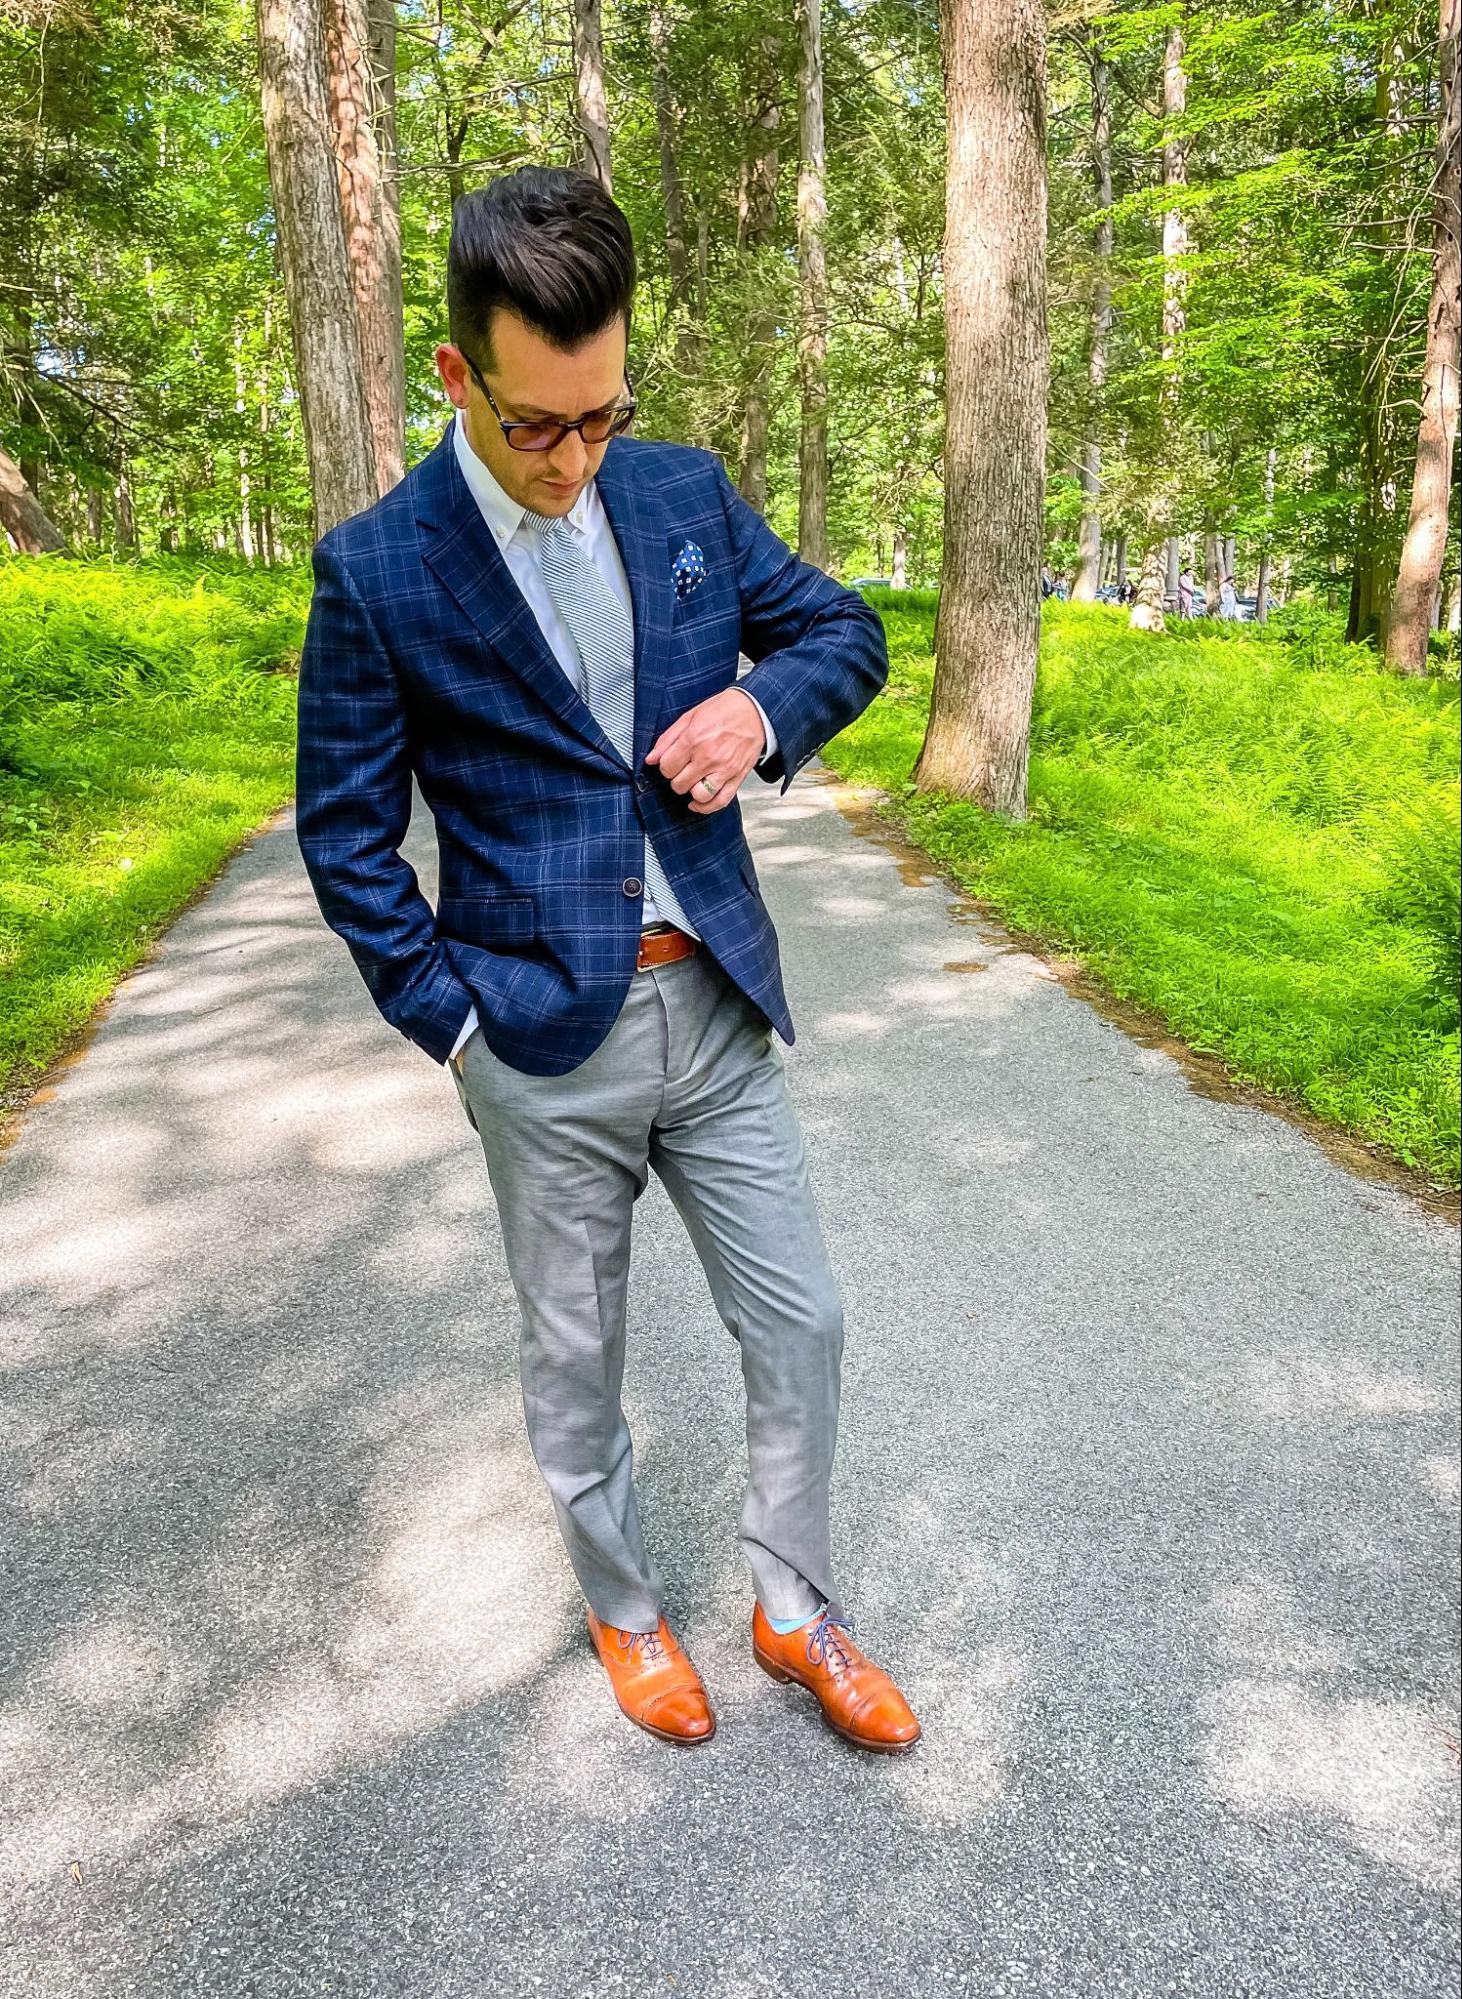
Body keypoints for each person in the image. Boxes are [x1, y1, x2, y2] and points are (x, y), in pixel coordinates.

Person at [294, 166, 922, 1756]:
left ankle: (791, 1610)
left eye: (599, 414)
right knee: (575, 1361)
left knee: (805, 1323)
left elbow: (843, 628)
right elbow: (348, 841)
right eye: (537, 427)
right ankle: (628, 1614)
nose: (575, 459)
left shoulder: (680, 493)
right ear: (458, 375)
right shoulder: (376, 571)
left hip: (709, 1000)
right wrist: (455, 1034)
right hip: (535, 1041)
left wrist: (763, 709)